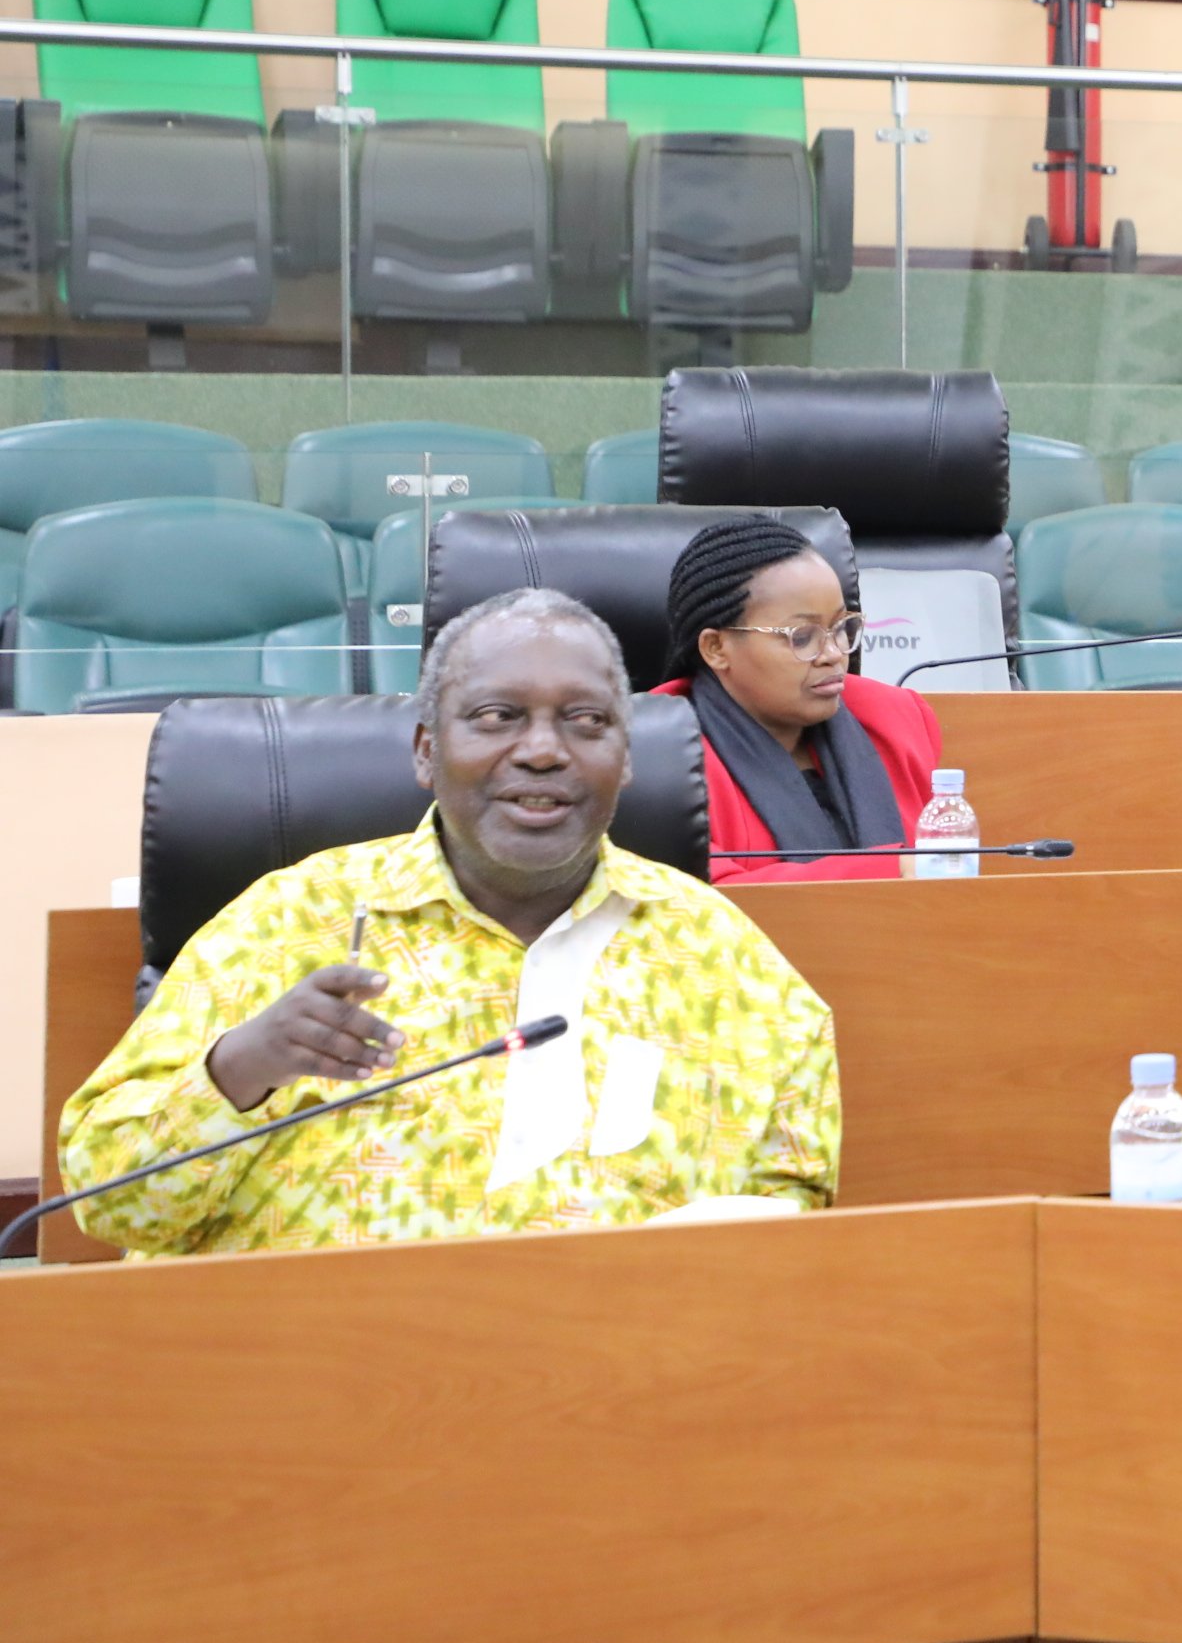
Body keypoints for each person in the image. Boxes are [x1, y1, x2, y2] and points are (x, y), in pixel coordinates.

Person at [59, 587, 841, 1257]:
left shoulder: (727, 962)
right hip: (304, 1390)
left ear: (626, 760)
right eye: (498, 717)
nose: (543, 751)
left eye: (586, 722)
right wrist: (242, 1067)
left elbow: (793, 1220)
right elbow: (108, 1203)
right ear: (428, 751)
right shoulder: (292, 921)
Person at [650, 515, 945, 884]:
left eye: (841, 628)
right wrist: (894, 870)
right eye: (802, 636)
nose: (835, 653)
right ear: (715, 648)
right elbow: (696, 896)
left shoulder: (897, 719)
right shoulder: (658, 754)